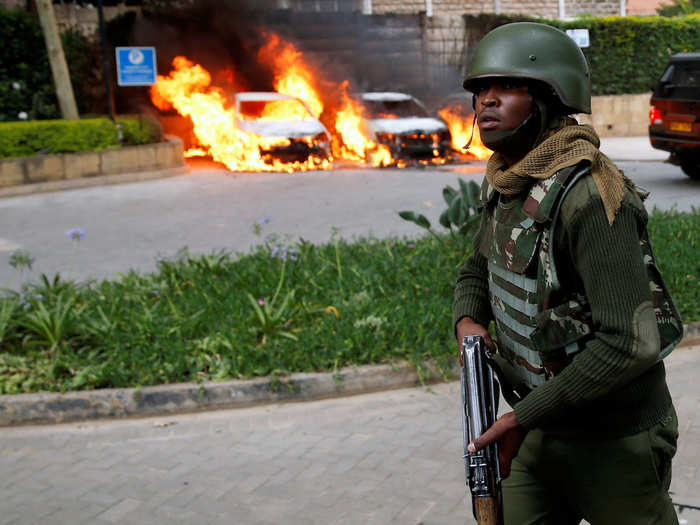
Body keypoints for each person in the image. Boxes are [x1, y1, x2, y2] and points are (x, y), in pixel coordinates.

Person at [453, 22, 684, 524]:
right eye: (480, 90)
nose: (486, 102)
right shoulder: (510, 179)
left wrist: (522, 419)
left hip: (614, 439)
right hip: (540, 428)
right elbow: (479, 266)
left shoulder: (592, 196)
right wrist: (468, 321)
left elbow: (629, 342)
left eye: (507, 88)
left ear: (549, 99)